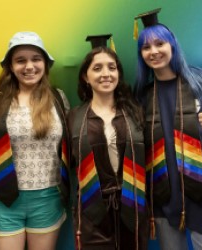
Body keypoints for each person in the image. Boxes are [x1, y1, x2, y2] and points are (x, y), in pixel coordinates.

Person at [134, 8, 202, 250]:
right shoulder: (143, 96)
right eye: (146, 47)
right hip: (164, 198)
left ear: (172, 45)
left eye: (160, 43)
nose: (154, 51)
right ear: (141, 54)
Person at [0, 31, 70, 250]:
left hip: (48, 196)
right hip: (5, 198)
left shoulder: (59, 98)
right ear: (11, 66)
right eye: (20, 60)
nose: (29, 66)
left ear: (45, 63)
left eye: (36, 59)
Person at [67, 35, 149, 250]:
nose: (106, 74)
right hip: (92, 209)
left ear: (118, 73)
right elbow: (64, 163)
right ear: (86, 76)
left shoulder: (135, 112)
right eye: (97, 68)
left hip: (133, 205)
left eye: (111, 67)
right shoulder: (74, 118)